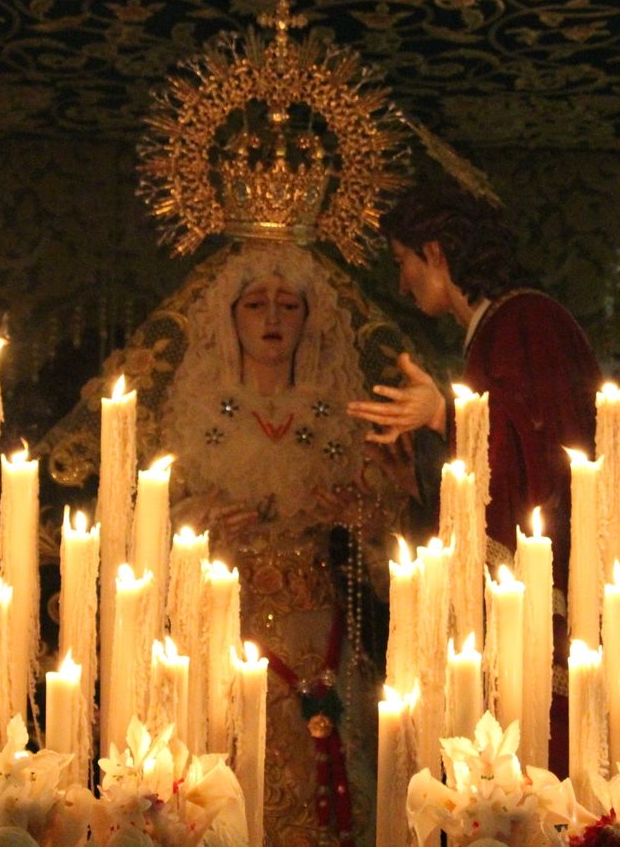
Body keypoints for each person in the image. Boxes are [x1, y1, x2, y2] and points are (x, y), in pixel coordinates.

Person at [41, 240, 412, 847]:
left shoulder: (343, 415)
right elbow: (146, 524)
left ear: (310, 317)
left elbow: (392, 542)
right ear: (229, 317)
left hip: (320, 627)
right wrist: (197, 522)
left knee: (330, 773)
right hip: (221, 618)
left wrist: (362, 517)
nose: (272, 319)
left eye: (288, 305)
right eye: (256, 304)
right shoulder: (191, 415)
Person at [346, 180, 601, 576]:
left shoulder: (527, 320)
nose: (401, 284)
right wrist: (416, 482)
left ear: (433, 252)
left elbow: (539, 448)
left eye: (401, 262)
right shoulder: (497, 328)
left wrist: (441, 413)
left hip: (548, 582)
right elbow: (498, 478)